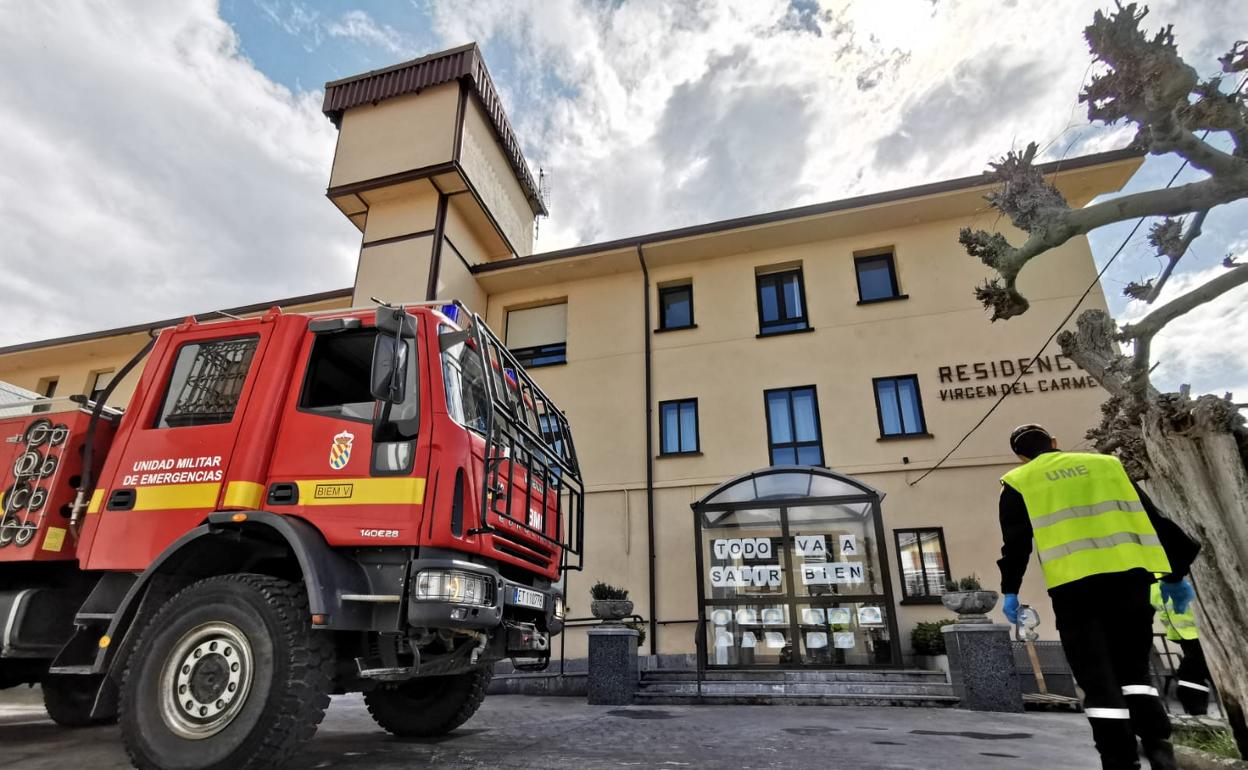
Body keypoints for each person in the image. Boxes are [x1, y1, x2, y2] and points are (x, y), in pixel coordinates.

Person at [997, 424, 1200, 770]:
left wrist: (1010, 591)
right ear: (1055, 442)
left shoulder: (1019, 481)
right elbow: (1154, 519)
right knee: (1136, 673)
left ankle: (1119, 760)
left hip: (1076, 591)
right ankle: (1158, 746)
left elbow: (1016, 545)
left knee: (1097, 679)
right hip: (1130, 583)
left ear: (1020, 455)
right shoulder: (1108, 465)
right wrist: (1176, 569)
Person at [1151, 577, 1212, 715]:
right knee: (1192, 675)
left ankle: (1199, 717)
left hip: (1201, 632)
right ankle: (1199, 716)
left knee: (1190, 674)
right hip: (1188, 634)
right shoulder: (1155, 573)